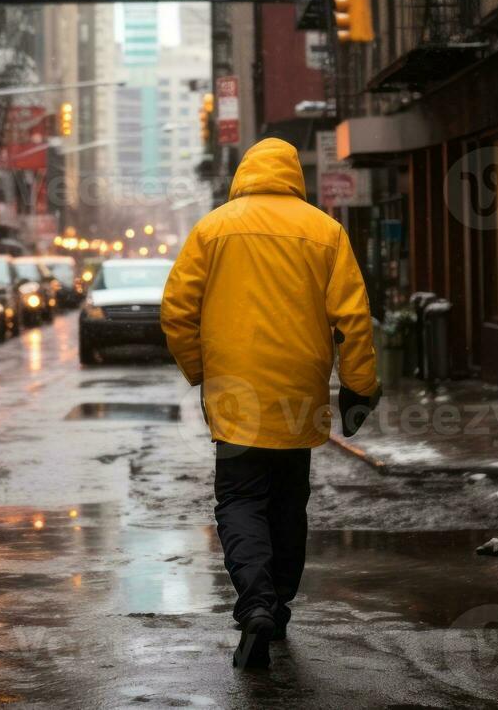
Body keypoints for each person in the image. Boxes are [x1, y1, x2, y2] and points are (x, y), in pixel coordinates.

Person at [161, 137, 379, 670]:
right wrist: (359, 387)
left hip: (235, 396)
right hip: (299, 395)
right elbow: (353, 319)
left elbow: (176, 311)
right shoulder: (325, 231)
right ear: (293, 176)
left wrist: (201, 371)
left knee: (239, 502)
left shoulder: (213, 229)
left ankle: (255, 604)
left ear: (244, 175)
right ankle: (278, 605)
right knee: (288, 504)